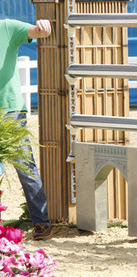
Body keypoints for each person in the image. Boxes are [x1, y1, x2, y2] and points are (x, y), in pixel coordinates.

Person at [0, 18, 54, 241]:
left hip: (10, 111)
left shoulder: (6, 27)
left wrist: (43, 25)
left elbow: (36, 32)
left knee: (25, 167)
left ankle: (42, 222)